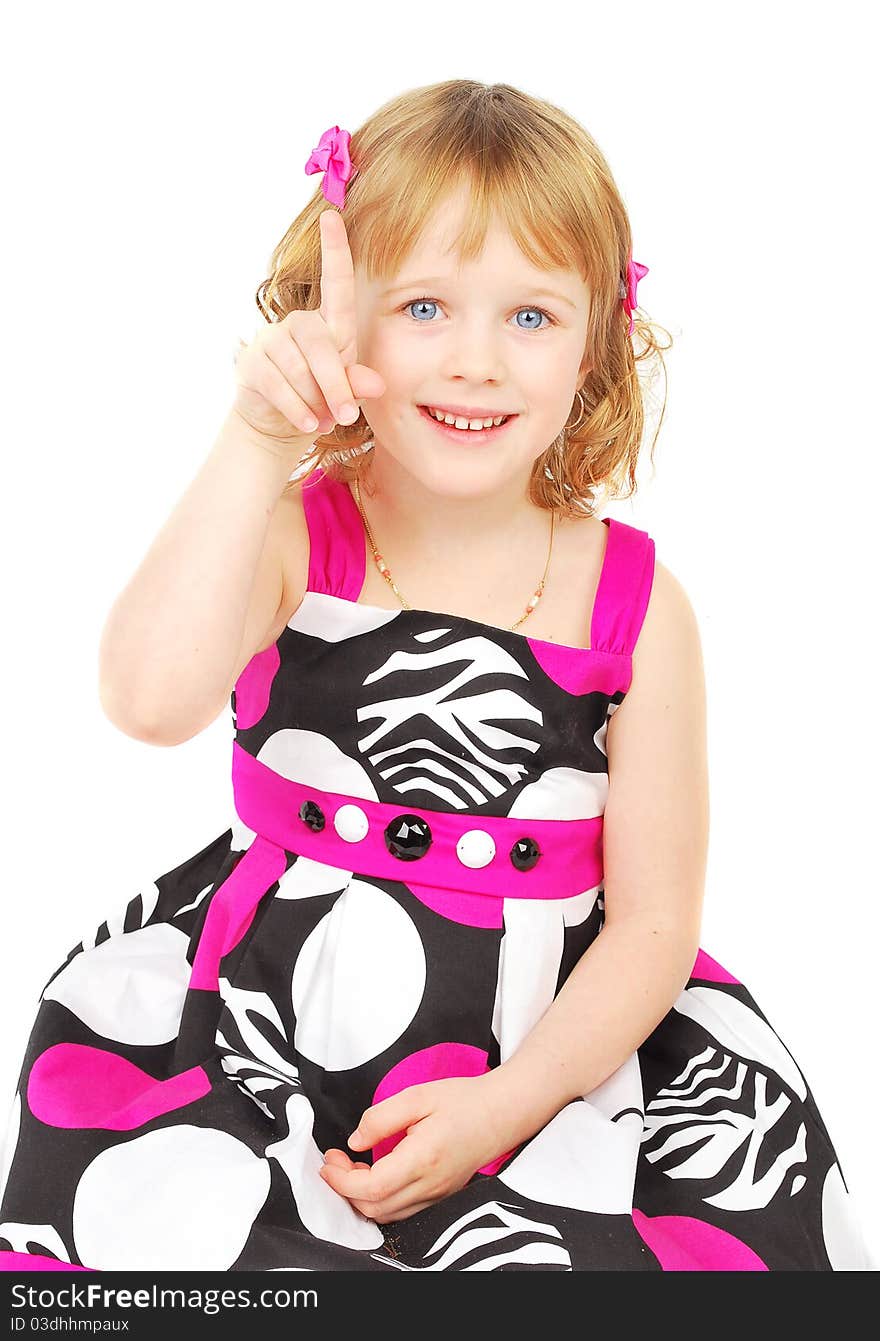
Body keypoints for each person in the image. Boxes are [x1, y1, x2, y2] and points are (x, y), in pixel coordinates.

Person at [0, 79, 872, 1273]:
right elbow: (147, 702)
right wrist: (257, 439)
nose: (475, 362)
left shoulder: (638, 606)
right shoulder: (296, 540)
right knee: (179, 1236)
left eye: (530, 317)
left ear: (597, 343)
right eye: (422, 306)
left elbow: (657, 920)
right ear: (334, 315)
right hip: (269, 1031)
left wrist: (509, 1105)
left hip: (549, 1057)